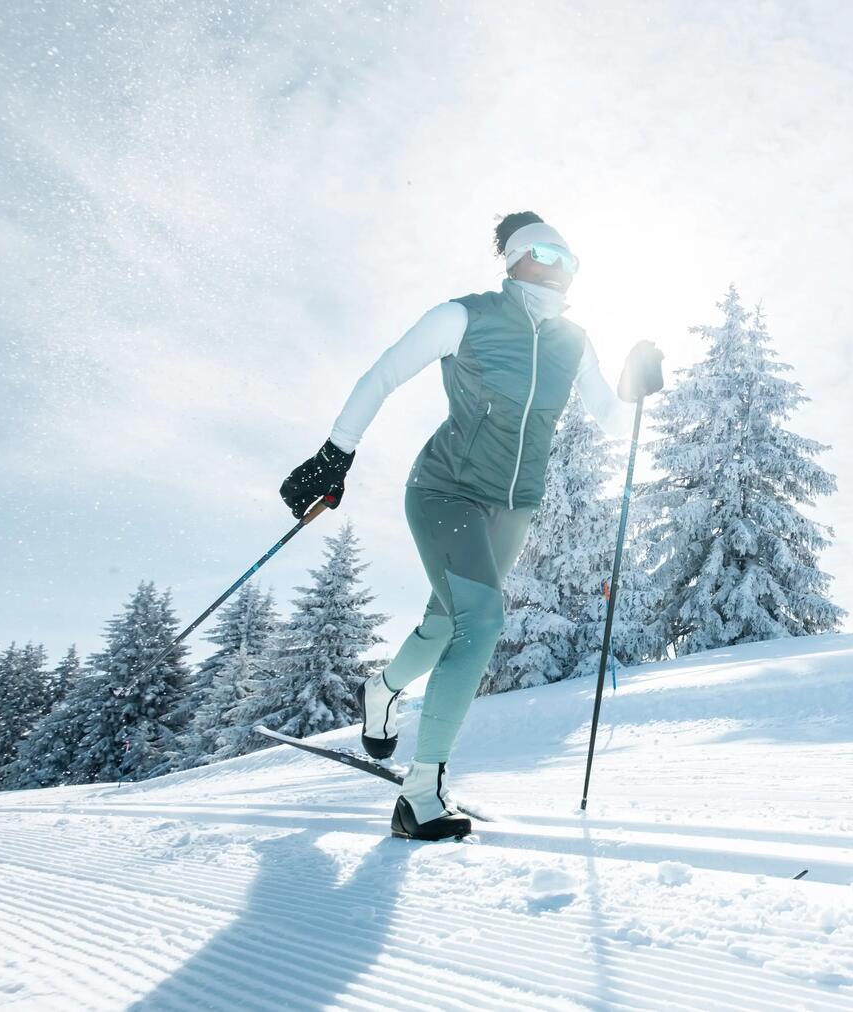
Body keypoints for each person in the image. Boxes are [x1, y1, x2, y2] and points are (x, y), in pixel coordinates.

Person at [279, 211, 663, 841]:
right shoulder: (466, 316)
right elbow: (383, 374)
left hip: (514, 505)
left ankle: (382, 689)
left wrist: (635, 386)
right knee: (481, 621)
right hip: (445, 491)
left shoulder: (574, 341)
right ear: (513, 258)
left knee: (443, 623)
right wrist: (334, 453)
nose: (560, 268)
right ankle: (421, 791)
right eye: (545, 252)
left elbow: (614, 422)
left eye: (572, 260)